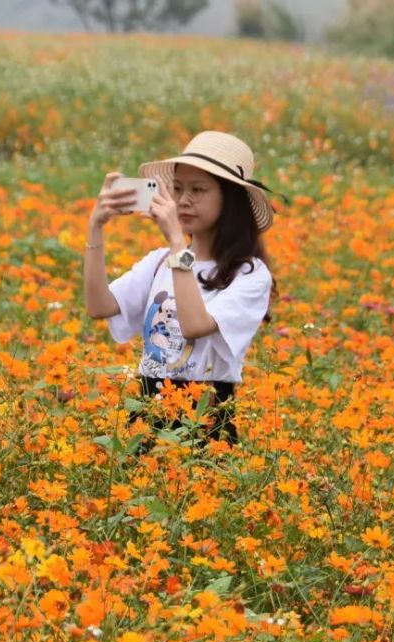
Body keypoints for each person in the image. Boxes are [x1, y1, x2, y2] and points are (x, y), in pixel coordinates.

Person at [83, 131, 279, 452]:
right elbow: (99, 306)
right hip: (147, 406)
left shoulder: (251, 274)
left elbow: (194, 326)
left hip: (205, 415)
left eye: (198, 190)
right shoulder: (159, 261)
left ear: (229, 200)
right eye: (177, 188)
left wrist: (177, 240)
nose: (184, 200)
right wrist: (96, 226)